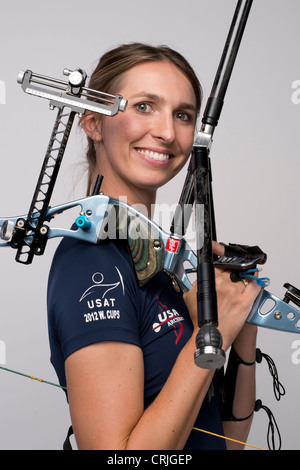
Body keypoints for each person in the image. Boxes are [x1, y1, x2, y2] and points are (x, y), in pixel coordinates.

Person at [47, 43, 261, 450]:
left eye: (182, 115)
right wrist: (207, 335)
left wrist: (242, 331)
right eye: (144, 106)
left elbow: (226, 442)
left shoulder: (167, 258)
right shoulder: (93, 260)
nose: (166, 132)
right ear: (93, 123)